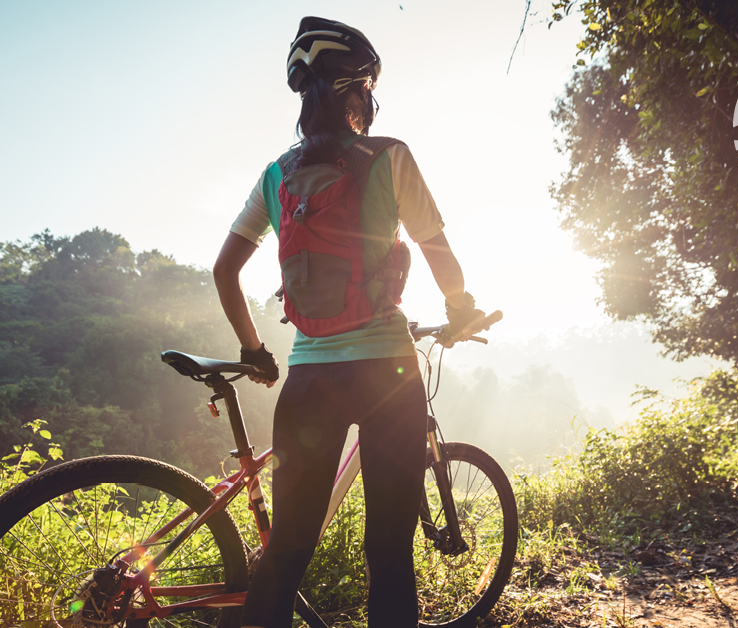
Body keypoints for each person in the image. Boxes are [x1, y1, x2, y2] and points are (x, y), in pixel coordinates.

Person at [212, 16, 488, 628]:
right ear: (358, 91)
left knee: (285, 550)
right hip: (387, 374)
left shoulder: (276, 175)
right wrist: (461, 309)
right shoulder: (389, 155)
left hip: (308, 381)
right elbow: (437, 249)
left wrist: (256, 351)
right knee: (388, 552)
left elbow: (225, 271)